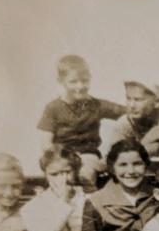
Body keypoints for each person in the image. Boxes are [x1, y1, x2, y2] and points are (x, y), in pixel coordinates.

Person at [36, 55, 126, 185]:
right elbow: (46, 144)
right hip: (61, 156)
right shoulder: (53, 108)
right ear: (61, 81)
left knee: (86, 174)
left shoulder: (96, 105)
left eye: (85, 81)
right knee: (59, 177)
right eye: (73, 82)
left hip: (87, 155)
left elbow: (128, 112)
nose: (80, 86)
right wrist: (62, 159)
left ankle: (89, 200)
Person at [111, 81, 159, 156]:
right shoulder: (123, 124)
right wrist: (147, 140)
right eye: (128, 98)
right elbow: (116, 158)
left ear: (156, 102)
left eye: (138, 100)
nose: (131, 105)